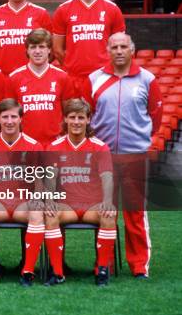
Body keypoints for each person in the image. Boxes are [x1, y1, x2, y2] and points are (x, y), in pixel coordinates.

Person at [83, 33, 162, 279]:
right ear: (107, 50)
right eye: (114, 47)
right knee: (104, 212)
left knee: (135, 214)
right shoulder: (95, 79)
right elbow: (87, 116)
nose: (119, 51)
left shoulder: (147, 80)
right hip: (103, 157)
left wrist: (138, 140)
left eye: (123, 46)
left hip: (134, 156)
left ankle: (139, 266)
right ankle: (103, 264)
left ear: (132, 49)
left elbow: (155, 118)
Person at [44, 98, 117, 287]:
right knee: (50, 214)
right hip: (67, 205)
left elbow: (107, 176)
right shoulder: (55, 146)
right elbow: (50, 177)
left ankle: (102, 270)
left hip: (92, 204)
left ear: (88, 120)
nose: (76, 122)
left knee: (109, 215)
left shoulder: (99, 146)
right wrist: (50, 199)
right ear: (66, 120)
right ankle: (57, 272)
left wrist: (108, 201)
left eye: (81, 118)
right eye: (72, 117)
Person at [0, 99, 43, 286]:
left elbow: (40, 179)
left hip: (22, 203)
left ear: (21, 119)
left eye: (13, 117)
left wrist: (38, 197)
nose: (9, 121)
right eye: (5, 117)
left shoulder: (33, 145)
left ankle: (28, 271)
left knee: (37, 211)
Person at [52, 0, 125, 91]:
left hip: (104, 78)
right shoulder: (63, 10)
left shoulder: (113, 9)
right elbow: (57, 49)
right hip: (74, 79)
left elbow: (120, 47)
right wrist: (72, 67)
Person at [7, 28, 75, 146]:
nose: (37, 51)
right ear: (27, 50)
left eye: (42, 47)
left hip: (54, 143)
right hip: (24, 144)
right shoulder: (14, 78)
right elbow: (9, 116)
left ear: (49, 50)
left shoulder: (62, 77)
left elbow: (68, 113)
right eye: (33, 47)